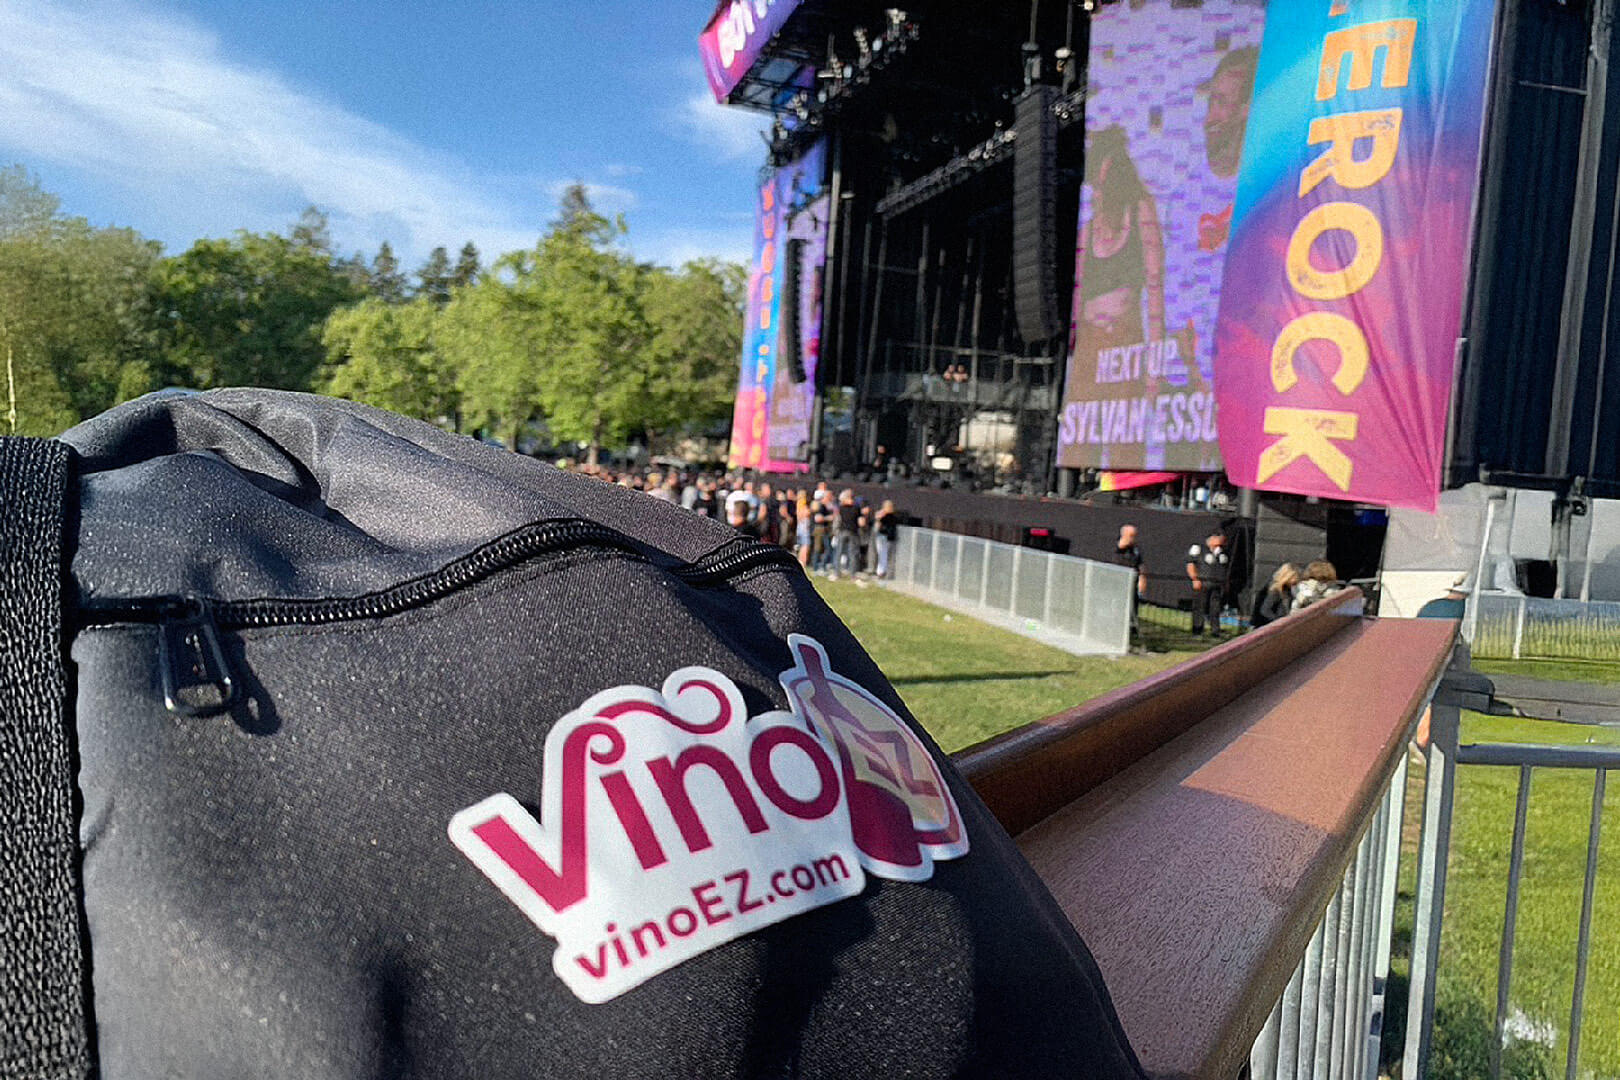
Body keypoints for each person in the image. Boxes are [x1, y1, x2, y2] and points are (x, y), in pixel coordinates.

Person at [1186, 530, 1230, 637]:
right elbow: (1190, 564)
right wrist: (1195, 579)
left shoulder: (1222, 553)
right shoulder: (1199, 549)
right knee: (1199, 607)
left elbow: (1225, 568)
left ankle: (1215, 630)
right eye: (1218, 538)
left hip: (1217, 585)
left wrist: (1225, 583)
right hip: (1203, 583)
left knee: (1215, 608)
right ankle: (1197, 629)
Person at [1114, 524, 1147, 647]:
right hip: (1119, 581)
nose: (1133, 538)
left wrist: (1142, 578)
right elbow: (1120, 546)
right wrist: (1127, 540)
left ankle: (1130, 632)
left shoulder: (1136, 549)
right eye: (1131, 536)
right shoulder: (1120, 546)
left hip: (1133, 581)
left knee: (1133, 607)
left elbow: (1141, 564)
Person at [1251, 563, 1300, 628]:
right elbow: (1265, 610)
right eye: (1294, 578)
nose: (1295, 581)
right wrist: (1278, 621)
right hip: (1267, 626)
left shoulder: (1286, 589)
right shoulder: (1275, 590)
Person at [832, 489, 860, 578]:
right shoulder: (856, 508)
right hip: (853, 531)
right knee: (853, 553)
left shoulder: (841, 508)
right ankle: (852, 575)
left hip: (842, 531)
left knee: (839, 552)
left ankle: (837, 573)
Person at [874, 499, 899, 579]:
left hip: (886, 537)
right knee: (884, 555)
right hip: (886, 537)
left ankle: (882, 572)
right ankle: (882, 572)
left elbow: (877, 527)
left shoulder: (890, 517)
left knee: (884, 555)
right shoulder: (886, 516)